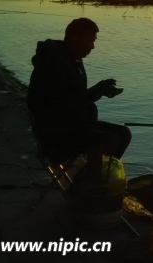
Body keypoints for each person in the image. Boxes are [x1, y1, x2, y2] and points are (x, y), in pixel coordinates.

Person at [27, 17, 131, 182]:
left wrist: (100, 91)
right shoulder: (53, 64)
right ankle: (87, 186)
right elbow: (62, 104)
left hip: (73, 124)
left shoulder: (73, 58)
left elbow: (77, 97)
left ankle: (92, 183)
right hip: (56, 134)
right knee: (107, 140)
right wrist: (97, 91)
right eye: (90, 40)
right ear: (75, 38)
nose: (92, 46)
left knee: (124, 134)